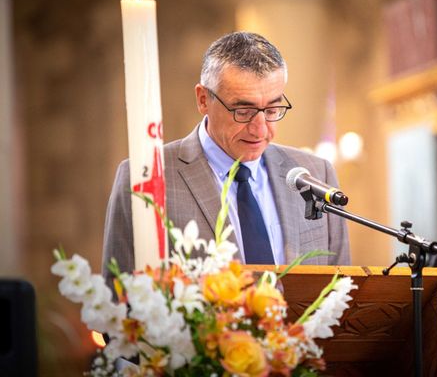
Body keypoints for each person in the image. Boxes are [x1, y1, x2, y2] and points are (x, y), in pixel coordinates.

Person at [102, 31, 350, 281]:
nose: (260, 129)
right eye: (243, 111)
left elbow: (341, 294)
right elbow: (120, 297)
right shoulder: (147, 176)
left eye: (273, 109)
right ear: (203, 100)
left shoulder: (317, 174)